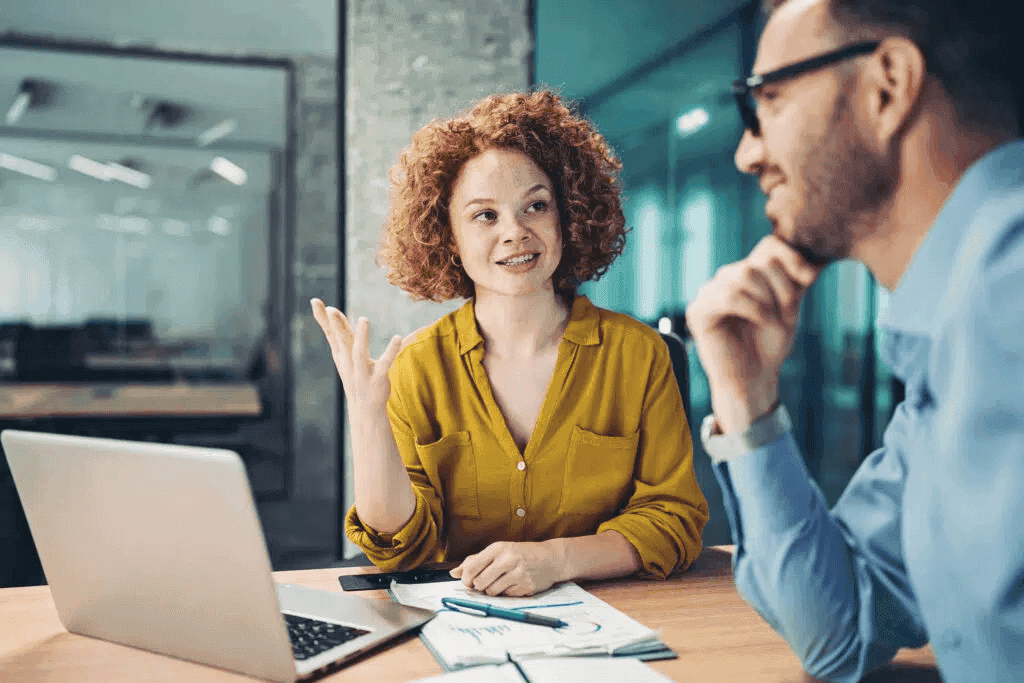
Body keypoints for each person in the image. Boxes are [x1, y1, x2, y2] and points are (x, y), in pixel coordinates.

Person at [685, 0, 1023, 681]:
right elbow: (838, 630)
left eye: (768, 101)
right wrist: (747, 401)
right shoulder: (950, 339)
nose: (747, 153)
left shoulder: (1007, 284)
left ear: (887, 85)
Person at [312, 90, 708, 597]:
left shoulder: (638, 354)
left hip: (616, 623)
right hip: (463, 626)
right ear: (447, 236)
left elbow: (674, 517)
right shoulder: (416, 368)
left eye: (535, 207)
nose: (515, 232)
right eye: (485, 216)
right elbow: (399, 546)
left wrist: (556, 559)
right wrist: (368, 416)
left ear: (566, 216)